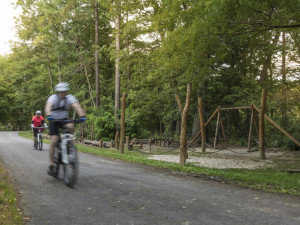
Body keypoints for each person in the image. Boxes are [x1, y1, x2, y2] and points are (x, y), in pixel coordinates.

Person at [45, 82, 86, 176]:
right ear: (57, 92)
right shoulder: (53, 98)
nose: (62, 93)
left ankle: (68, 143)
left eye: (64, 91)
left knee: (70, 126)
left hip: (64, 119)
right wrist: (49, 115)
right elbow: (48, 107)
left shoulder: (70, 97)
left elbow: (77, 106)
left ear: (67, 91)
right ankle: (51, 163)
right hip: (53, 120)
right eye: (60, 91)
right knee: (54, 141)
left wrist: (82, 115)